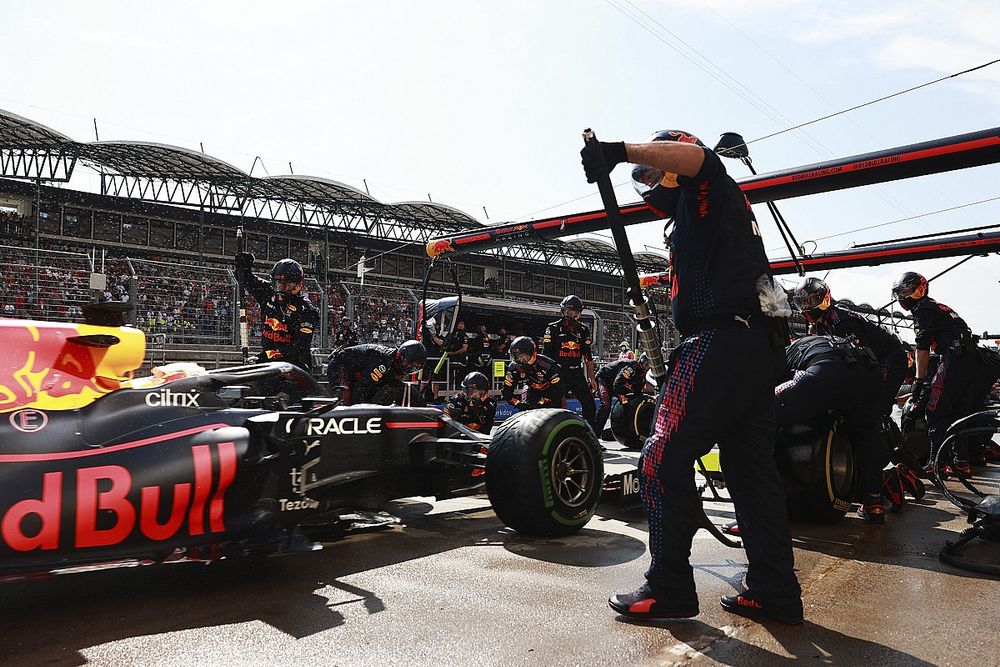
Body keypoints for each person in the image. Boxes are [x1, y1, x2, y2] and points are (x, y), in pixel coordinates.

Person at [582, 128, 802, 624]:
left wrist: (619, 153)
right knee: (751, 475)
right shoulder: (705, 212)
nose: (648, 182)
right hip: (753, 349)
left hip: (718, 343)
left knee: (660, 457)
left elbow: (698, 160)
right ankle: (774, 590)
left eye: (654, 171)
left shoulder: (708, 184)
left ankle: (669, 588)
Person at [892, 271, 1000, 477]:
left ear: (919, 289)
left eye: (906, 291)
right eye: (900, 292)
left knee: (935, 412)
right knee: (959, 412)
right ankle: (962, 461)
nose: (903, 296)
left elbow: (922, 348)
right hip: (973, 360)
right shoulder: (939, 307)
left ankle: (937, 463)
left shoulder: (923, 309)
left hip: (956, 358)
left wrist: (918, 381)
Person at [777, 335, 888, 522]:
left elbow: (771, 387)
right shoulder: (823, 339)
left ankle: (756, 509)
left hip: (828, 371)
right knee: (867, 435)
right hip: (870, 373)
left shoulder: (784, 352)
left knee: (760, 420)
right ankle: (874, 503)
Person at [792, 277, 908, 420]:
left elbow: (865, 359)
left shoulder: (843, 322)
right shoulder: (820, 326)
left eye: (811, 300)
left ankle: (884, 434)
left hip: (889, 357)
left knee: (875, 403)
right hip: (873, 358)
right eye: (802, 302)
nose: (806, 306)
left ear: (823, 297)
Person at [234, 253, 318, 373]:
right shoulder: (269, 293)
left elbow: (298, 347)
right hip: (269, 363)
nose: (280, 287)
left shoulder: (306, 310)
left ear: (297, 285)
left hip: (295, 367)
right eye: (277, 282)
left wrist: (264, 356)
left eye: (285, 283)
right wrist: (243, 266)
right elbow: (245, 279)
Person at [542, 295, 598, 430]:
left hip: (576, 372)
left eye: (574, 312)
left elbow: (588, 356)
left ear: (579, 313)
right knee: (554, 405)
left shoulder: (583, 330)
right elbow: (546, 356)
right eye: (568, 311)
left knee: (589, 403)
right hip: (558, 372)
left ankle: (589, 435)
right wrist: (546, 376)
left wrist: (592, 378)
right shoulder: (553, 328)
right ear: (563, 311)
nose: (570, 315)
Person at [326, 340, 426, 405]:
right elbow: (362, 388)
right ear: (401, 356)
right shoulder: (383, 362)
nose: (410, 368)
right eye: (409, 364)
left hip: (357, 373)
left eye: (415, 368)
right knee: (346, 402)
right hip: (340, 366)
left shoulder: (393, 366)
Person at [594, 353, 651, 435]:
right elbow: (617, 385)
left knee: (628, 404)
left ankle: (616, 430)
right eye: (646, 365)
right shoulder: (630, 368)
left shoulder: (643, 374)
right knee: (606, 405)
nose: (648, 367)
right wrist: (624, 400)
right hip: (604, 379)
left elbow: (638, 393)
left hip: (616, 383)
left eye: (649, 366)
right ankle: (595, 433)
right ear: (642, 362)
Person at [501, 336, 564, 410]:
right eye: (516, 357)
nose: (520, 360)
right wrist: (518, 404)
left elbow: (559, 389)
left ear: (532, 353)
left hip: (551, 393)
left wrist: (543, 402)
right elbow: (506, 391)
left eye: (523, 357)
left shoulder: (548, 365)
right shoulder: (513, 367)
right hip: (532, 392)